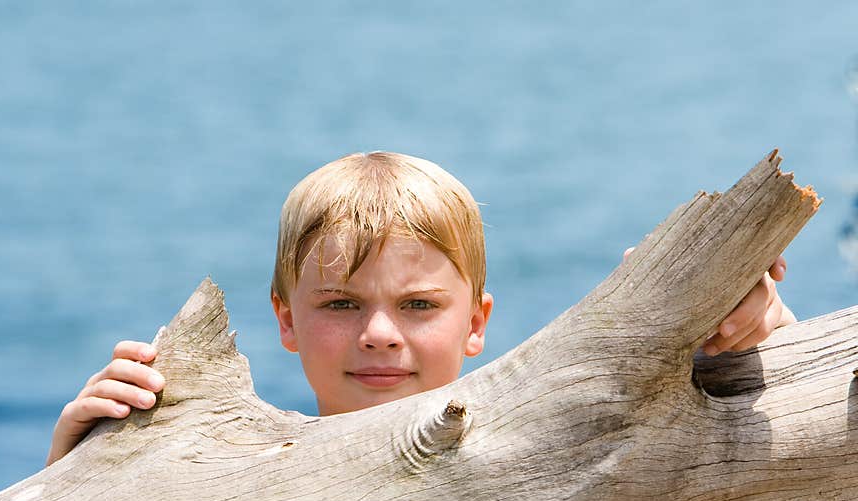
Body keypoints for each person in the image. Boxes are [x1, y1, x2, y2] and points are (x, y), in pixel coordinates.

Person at [45, 151, 796, 466]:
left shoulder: (545, 444)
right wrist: (76, 470)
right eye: (341, 302)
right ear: (284, 320)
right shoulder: (230, 467)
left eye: (418, 305)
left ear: (477, 322)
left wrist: (740, 331)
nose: (379, 334)